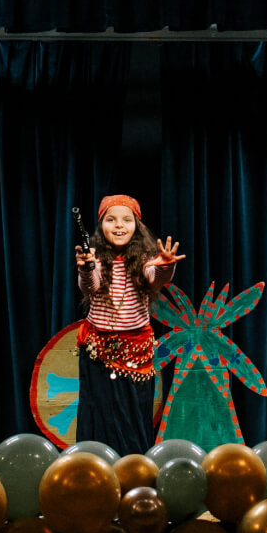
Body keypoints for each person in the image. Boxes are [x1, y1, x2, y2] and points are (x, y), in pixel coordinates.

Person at [74, 194, 184, 457]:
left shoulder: (144, 260)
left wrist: (166, 266)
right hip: (99, 353)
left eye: (126, 220)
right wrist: (87, 269)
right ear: (101, 226)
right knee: (98, 415)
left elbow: (156, 278)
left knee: (132, 417)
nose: (119, 225)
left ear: (137, 226)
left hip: (135, 352)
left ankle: (133, 469)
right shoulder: (96, 259)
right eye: (111, 220)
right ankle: (96, 467)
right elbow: (90, 286)